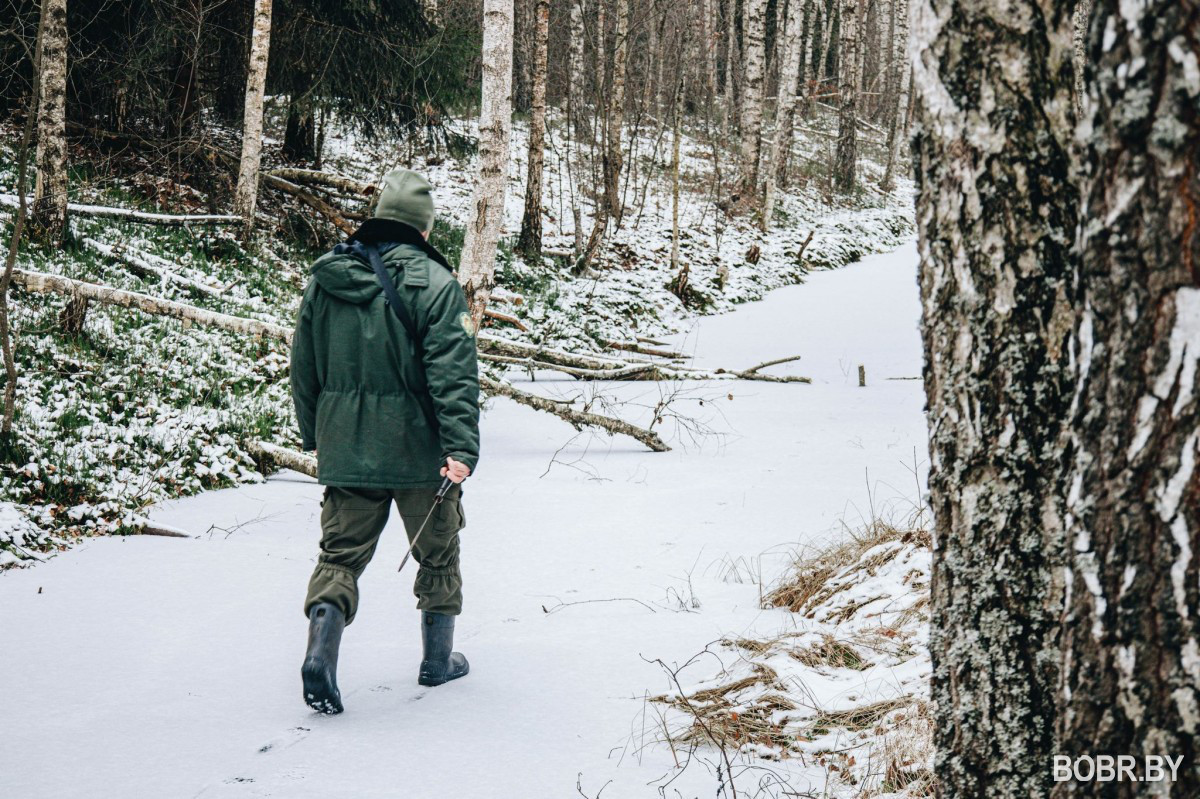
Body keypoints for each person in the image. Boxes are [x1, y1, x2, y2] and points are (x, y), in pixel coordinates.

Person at [289, 168, 480, 714]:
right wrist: (461, 449)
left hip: (346, 444)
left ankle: (321, 656)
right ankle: (437, 662)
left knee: (339, 556)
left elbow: (303, 366)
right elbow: (454, 377)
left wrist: (316, 433)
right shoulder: (437, 286)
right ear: (423, 229)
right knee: (438, 552)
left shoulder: (327, 279)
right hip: (420, 452)